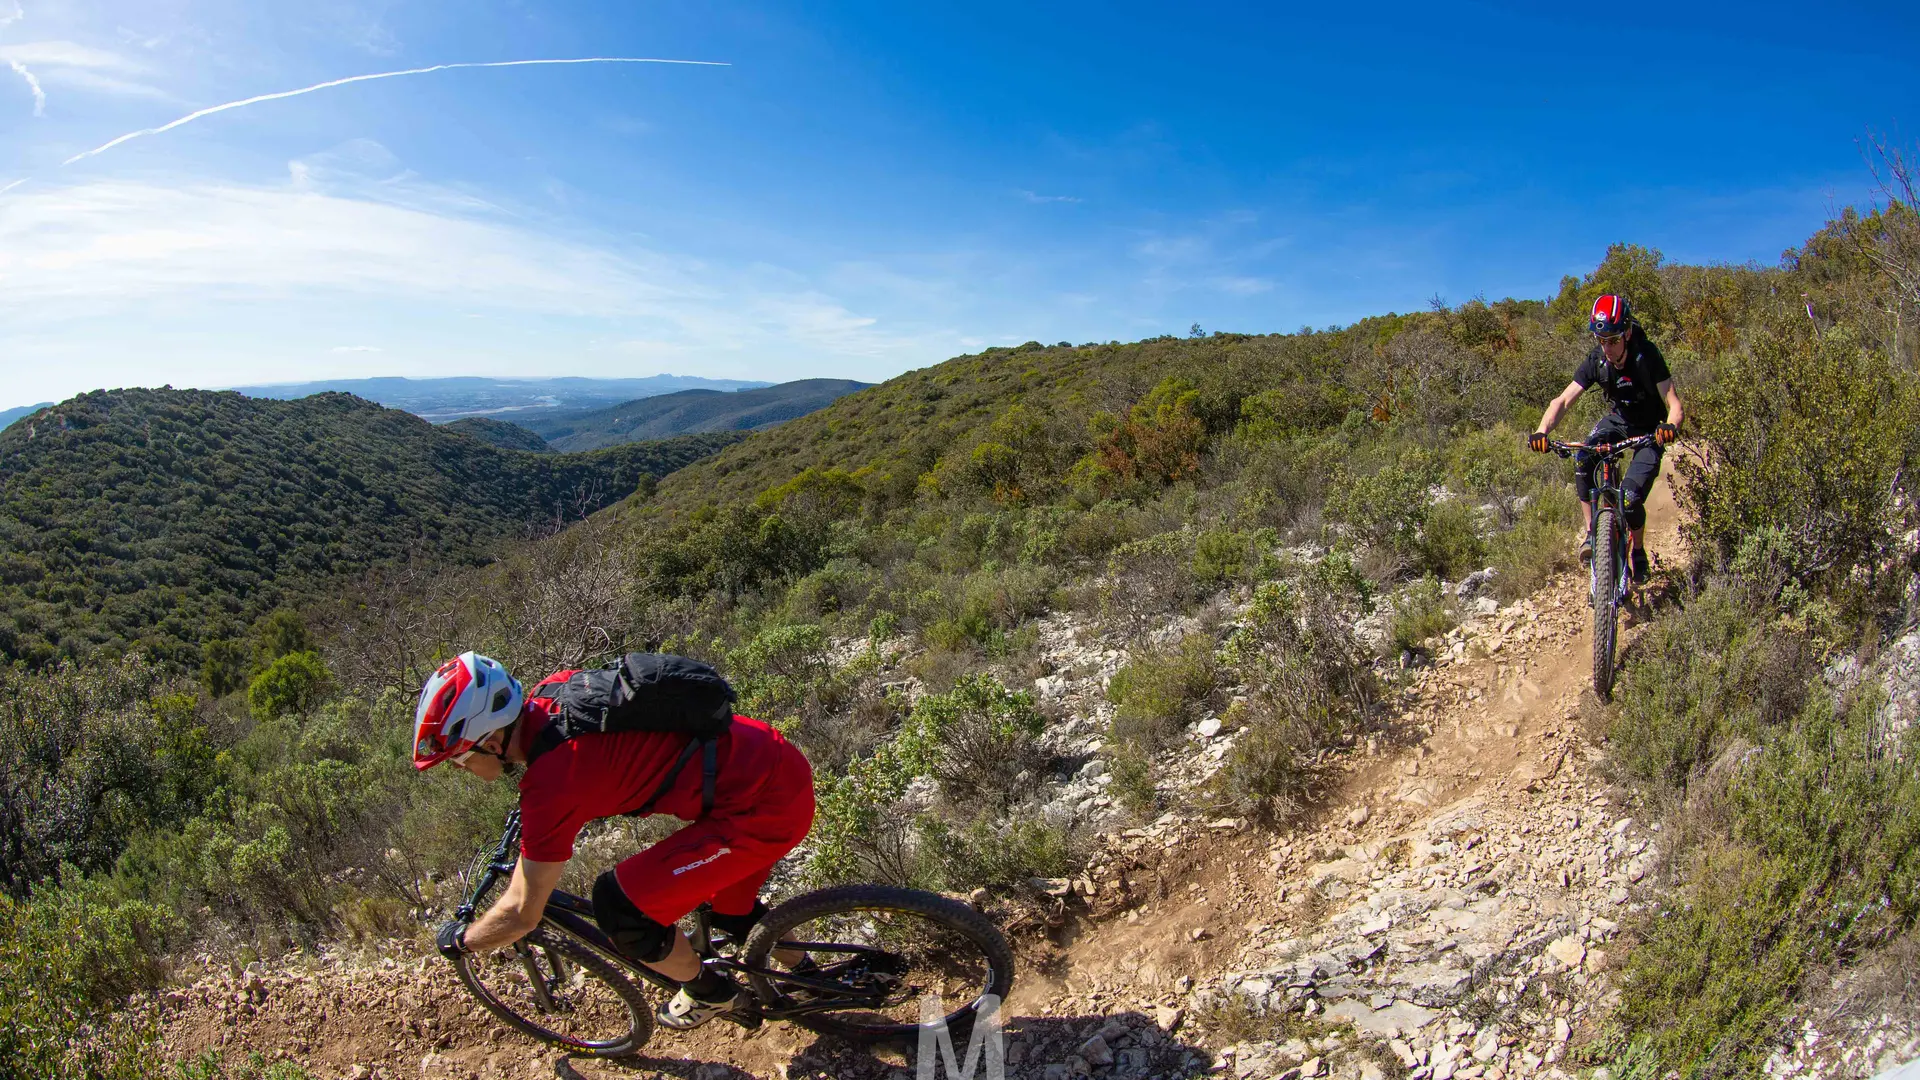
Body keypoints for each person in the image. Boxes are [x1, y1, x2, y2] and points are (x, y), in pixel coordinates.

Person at [410, 651, 815, 1030]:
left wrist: (462, 942)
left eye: (460, 759)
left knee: (620, 908)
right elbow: (607, 759)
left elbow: (521, 914)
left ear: (492, 743)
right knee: (731, 911)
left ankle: (710, 993)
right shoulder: (551, 692)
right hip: (771, 766)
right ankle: (812, 978)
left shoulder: (553, 783)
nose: (462, 769)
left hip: (762, 811)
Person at [1527, 295, 1682, 584]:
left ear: (1627, 333)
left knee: (1630, 498)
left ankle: (1638, 550)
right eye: (1601, 340)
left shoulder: (1646, 355)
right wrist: (1542, 431)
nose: (1607, 348)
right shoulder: (1597, 360)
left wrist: (1669, 427)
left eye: (1612, 340)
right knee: (1584, 457)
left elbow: (1674, 404)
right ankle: (1590, 533)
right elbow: (1562, 401)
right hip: (1619, 421)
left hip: (1650, 428)